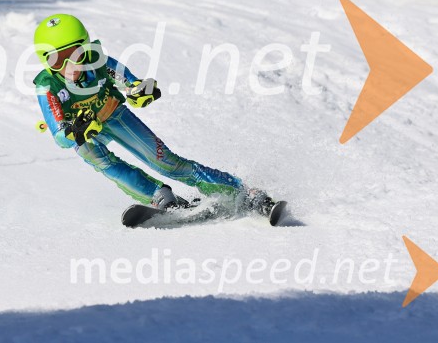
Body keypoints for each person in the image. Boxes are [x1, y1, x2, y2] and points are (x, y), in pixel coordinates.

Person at [33, 13, 276, 215]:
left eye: (76, 54)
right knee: (102, 161)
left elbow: (128, 82)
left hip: (113, 114)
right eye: (57, 60)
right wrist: (75, 132)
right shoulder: (47, 86)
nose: (70, 66)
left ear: (87, 48)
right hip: (84, 134)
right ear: (46, 62)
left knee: (166, 162)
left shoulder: (98, 61)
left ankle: (241, 192)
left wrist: (139, 90)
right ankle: (158, 196)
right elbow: (59, 135)